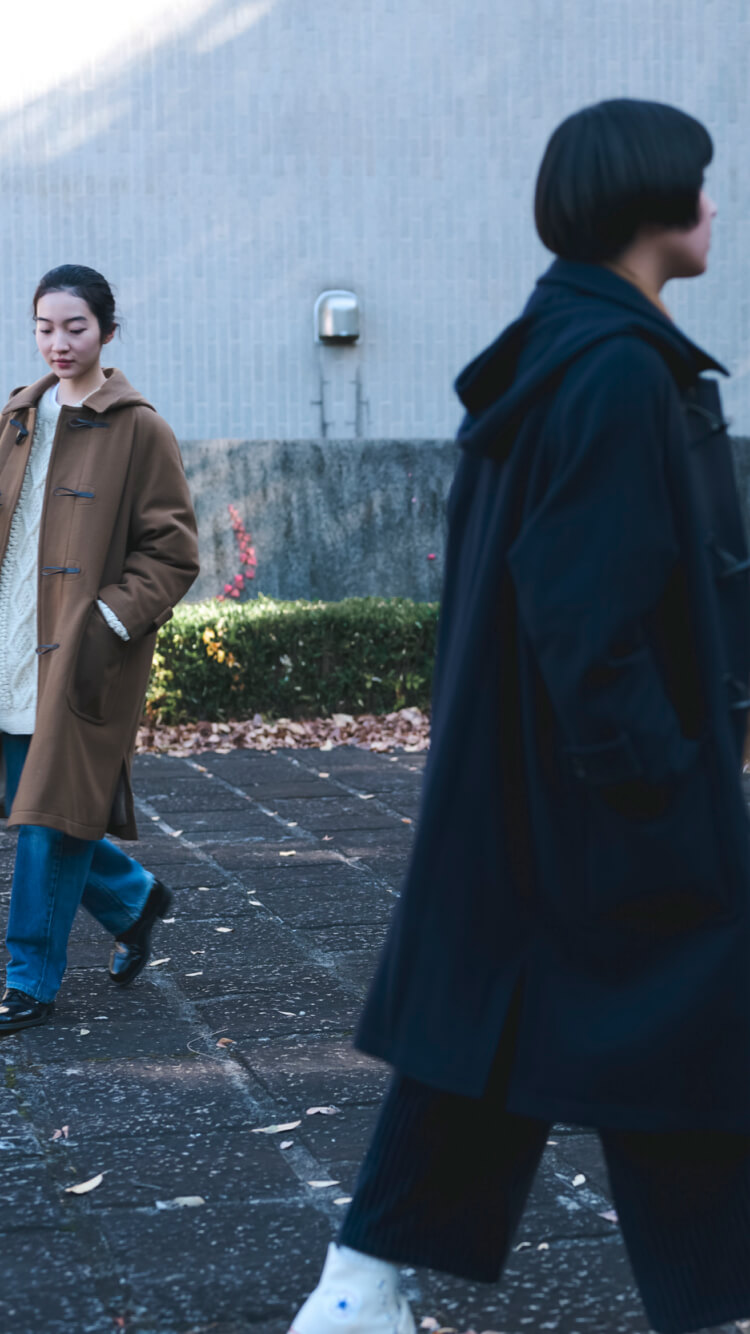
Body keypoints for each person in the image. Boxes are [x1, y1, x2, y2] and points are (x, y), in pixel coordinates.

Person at [289, 100, 750, 1334]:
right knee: (671, 1030)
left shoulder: (567, 348)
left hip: (548, 790)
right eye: (701, 184)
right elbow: (585, 608)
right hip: (609, 794)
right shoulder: (614, 369)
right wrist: (662, 776)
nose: (716, 206)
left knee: (516, 1026)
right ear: (649, 200)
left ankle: (359, 1288)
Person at [0, 264, 199, 1033]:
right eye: (44, 327)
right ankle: (133, 899)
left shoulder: (140, 429)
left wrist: (109, 623)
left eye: (75, 327)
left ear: (108, 332)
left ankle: (29, 980)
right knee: (29, 800)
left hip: (80, 653)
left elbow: (172, 553)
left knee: (49, 818)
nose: (58, 342)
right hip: (11, 641)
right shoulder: (18, 416)